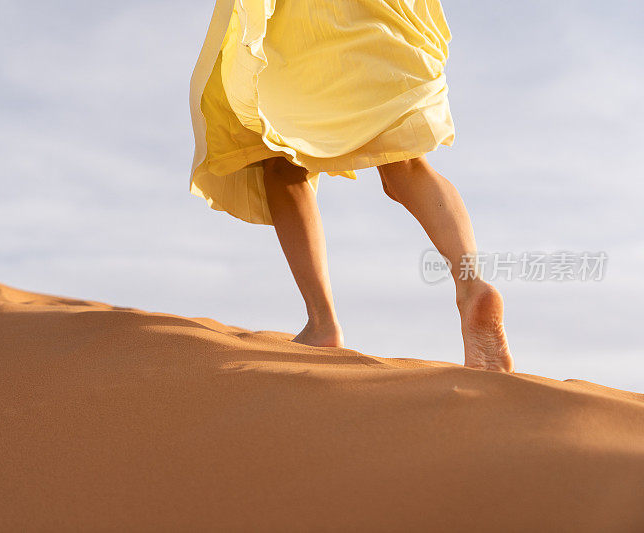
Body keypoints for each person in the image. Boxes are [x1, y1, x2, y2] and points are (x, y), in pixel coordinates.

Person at [188, 0, 514, 372]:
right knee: (404, 161)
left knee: (281, 157)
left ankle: (321, 322)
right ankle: (471, 286)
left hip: (295, 20)